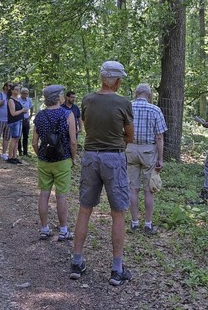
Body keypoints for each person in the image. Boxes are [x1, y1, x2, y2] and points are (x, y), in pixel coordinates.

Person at [69, 61, 134, 287]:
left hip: (90, 156)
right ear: (116, 81)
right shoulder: (123, 102)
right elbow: (130, 135)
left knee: (85, 209)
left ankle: (77, 262)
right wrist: (118, 142)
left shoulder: (87, 100)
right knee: (118, 212)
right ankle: (116, 268)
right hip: (113, 158)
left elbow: (86, 125)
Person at [32, 85, 77, 241]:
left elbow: (34, 142)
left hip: (44, 160)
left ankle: (44, 229)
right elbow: (73, 141)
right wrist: (73, 158)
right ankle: (63, 230)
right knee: (61, 196)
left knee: (44, 194)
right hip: (63, 160)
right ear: (59, 98)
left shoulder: (39, 116)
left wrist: (41, 155)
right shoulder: (67, 114)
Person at [126, 83, 167, 235]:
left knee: (133, 188)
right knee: (149, 189)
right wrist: (160, 159)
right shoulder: (155, 110)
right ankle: (148, 225)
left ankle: (134, 222)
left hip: (131, 148)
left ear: (136, 94)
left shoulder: (127, 107)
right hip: (148, 151)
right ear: (149, 95)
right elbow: (159, 137)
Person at [6, 85, 28, 164]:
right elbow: (13, 113)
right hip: (14, 121)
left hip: (19, 121)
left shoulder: (17, 100)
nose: (18, 91)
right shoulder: (11, 100)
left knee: (17, 139)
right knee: (14, 139)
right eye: (16, 89)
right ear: (12, 90)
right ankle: (10, 157)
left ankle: (14, 157)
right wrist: (22, 110)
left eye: (18, 89)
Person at [18, 88, 33, 156]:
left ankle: (25, 152)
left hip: (26, 120)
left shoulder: (29, 100)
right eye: (24, 93)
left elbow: (31, 107)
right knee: (18, 136)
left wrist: (30, 116)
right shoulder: (18, 100)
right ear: (21, 93)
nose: (26, 95)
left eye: (27, 93)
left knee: (26, 136)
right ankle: (19, 151)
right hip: (19, 119)